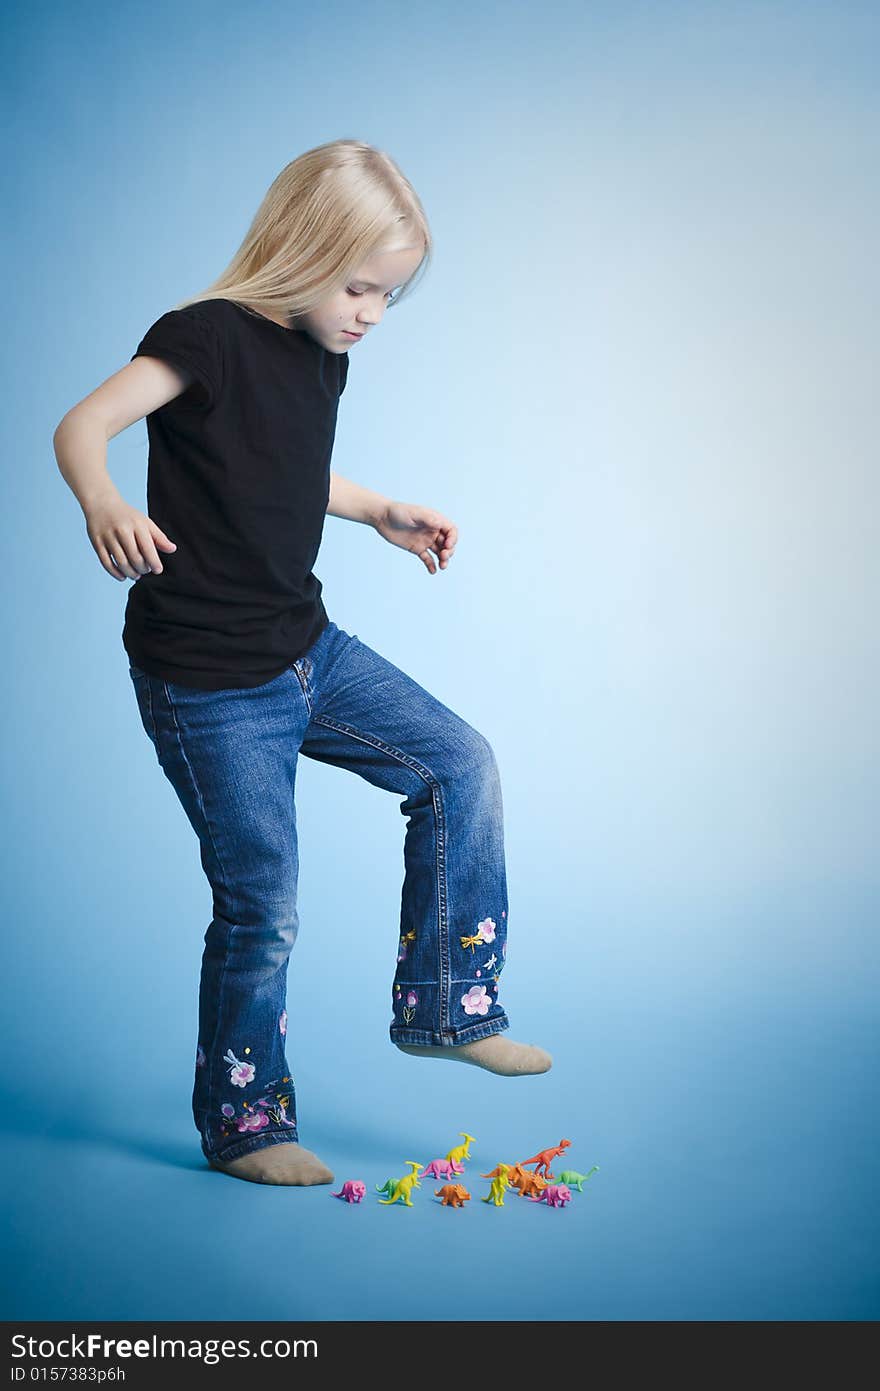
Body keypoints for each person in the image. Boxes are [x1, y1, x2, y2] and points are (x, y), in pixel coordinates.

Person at [53, 138, 551, 1188]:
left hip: (305, 647)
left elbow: (283, 462)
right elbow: (85, 422)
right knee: (263, 902)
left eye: (390, 295)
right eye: (358, 285)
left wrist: (377, 509)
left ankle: (445, 1006)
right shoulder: (203, 337)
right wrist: (104, 499)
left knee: (460, 763)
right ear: (299, 249)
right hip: (210, 683)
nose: (370, 312)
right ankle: (244, 1122)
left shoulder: (323, 353)